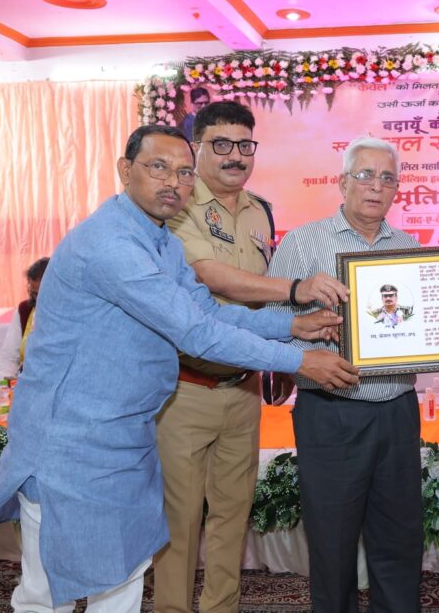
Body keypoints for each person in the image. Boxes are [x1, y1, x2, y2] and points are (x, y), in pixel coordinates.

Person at [0, 125, 358, 613]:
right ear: (126, 170)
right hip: (70, 443)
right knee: (49, 591)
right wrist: (299, 359)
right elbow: (196, 333)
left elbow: (206, 312)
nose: (173, 182)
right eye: (158, 167)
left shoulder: (160, 241)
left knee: (123, 579)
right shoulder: (112, 244)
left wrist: (292, 326)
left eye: (185, 173)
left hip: (124, 436)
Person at [156, 100, 349, 613]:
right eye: (221, 144)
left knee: (232, 514)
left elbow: (259, 294)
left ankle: (221, 608)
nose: (235, 155)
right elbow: (212, 278)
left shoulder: (260, 209)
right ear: (197, 148)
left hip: (243, 387)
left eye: (245, 144)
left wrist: (277, 356)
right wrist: (297, 289)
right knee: (180, 520)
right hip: (185, 388)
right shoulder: (178, 207)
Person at [266, 137, 423, 613]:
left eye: (387, 178)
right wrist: (311, 353)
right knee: (332, 544)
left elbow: (420, 329)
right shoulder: (302, 243)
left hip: (397, 410)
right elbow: (271, 325)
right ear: (342, 183)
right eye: (365, 175)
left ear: (397, 189)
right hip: (330, 413)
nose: (376, 186)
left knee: (399, 539)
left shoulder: (409, 247)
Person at [0, 257, 49, 388]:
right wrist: (5, 384)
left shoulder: (74, 313)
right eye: (35, 294)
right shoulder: (25, 310)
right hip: (28, 387)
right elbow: (8, 358)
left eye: (44, 294)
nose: (39, 300)